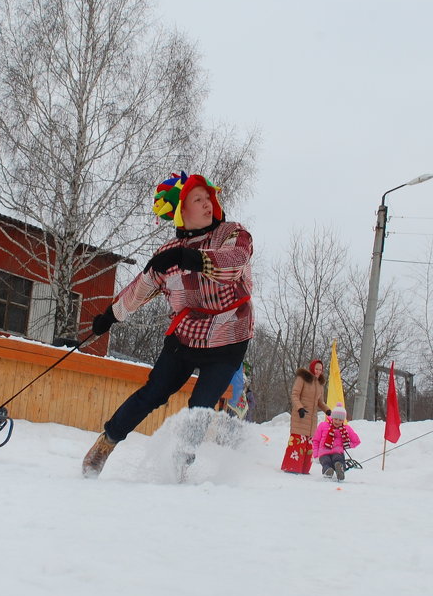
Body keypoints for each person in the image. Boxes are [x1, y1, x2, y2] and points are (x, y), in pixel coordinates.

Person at [81, 172, 253, 478]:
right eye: (197, 200)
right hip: (187, 334)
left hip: (229, 333)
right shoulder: (166, 254)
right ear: (181, 212)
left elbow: (233, 262)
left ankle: (178, 467)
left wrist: (187, 256)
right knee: (154, 392)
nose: (207, 204)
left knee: (199, 407)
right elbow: (140, 288)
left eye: (208, 198)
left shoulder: (233, 232)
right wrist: (109, 317)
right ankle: (106, 442)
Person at [282, 359, 329, 474]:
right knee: (298, 442)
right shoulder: (302, 378)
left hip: (311, 419)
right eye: (316, 369)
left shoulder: (320, 384)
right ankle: (292, 467)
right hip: (300, 416)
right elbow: (295, 395)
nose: (318, 371)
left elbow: (320, 402)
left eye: (320, 370)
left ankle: (303, 469)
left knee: (308, 445)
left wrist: (327, 410)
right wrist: (300, 408)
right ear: (312, 368)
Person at [312, 403, 360, 482]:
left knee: (338, 459)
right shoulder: (323, 425)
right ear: (332, 417)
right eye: (336, 419)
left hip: (337, 452)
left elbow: (356, 441)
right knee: (326, 462)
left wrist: (346, 445)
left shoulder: (346, 429)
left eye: (340, 420)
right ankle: (328, 471)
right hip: (324, 452)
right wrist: (316, 454)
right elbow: (316, 440)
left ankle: (340, 469)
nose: (337, 421)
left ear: (343, 420)